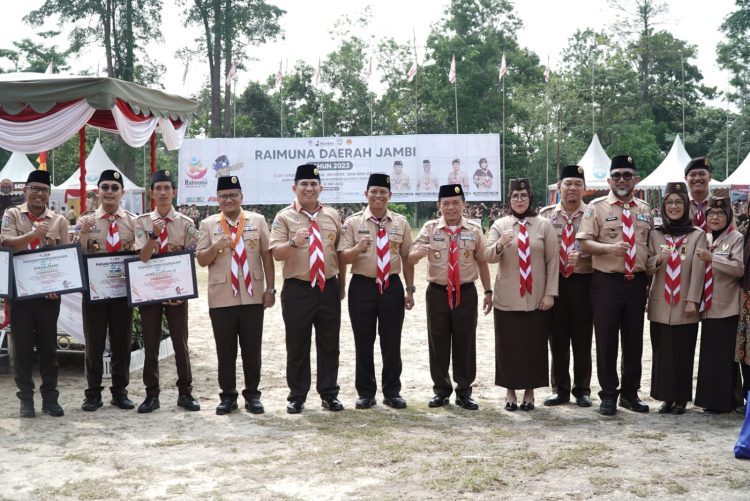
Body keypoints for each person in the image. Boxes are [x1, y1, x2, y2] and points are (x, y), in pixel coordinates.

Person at [577, 154, 652, 416]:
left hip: (636, 282)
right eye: (617, 175)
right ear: (609, 179)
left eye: (627, 175)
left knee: (634, 341)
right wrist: (609, 248)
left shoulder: (644, 209)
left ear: (636, 180)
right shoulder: (596, 208)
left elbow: (650, 246)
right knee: (607, 340)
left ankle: (630, 393)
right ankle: (609, 394)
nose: (622, 180)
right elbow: (584, 243)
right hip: (606, 281)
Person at [408, 184, 492, 410]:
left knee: (466, 341)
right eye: (446, 203)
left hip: (465, 292)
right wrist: (417, 253)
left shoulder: (474, 229)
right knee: (438, 341)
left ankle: (464, 391)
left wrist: (488, 291)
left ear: (464, 205)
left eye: (456, 203)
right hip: (437, 293)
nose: (451, 207)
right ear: (439, 206)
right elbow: (411, 256)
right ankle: (441, 390)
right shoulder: (430, 228)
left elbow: (482, 261)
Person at [196, 176, 275, 415]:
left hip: (252, 295)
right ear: (217, 199)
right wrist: (215, 247)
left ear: (242, 197)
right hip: (221, 296)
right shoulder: (208, 224)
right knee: (225, 350)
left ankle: (252, 395)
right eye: (224, 196)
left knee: (252, 349)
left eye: (233, 195)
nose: (229, 200)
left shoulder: (257, 220)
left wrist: (270, 289)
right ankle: (228, 396)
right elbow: (201, 260)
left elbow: (267, 257)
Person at [269, 163, 345, 414]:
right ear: (295, 187)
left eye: (314, 184)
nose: (309, 188)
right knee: (297, 343)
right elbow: (276, 254)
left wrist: (341, 286)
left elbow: (339, 253)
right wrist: (293, 242)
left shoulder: (333, 215)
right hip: (297, 289)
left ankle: (329, 393)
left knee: (329, 343)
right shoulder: (283, 217)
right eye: (304, 184)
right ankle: (297, 395)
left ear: (320, 188)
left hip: (328, 287)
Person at [338, 173, 415, 409]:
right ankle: (366, 392)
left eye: (383, 192)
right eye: (374, 191)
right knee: (364, 341)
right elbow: (342, 257)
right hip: (362, 285)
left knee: (392, 341)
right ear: (366, 194)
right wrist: (358, 248)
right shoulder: (353, 223)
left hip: (391, 285)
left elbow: (406, 258)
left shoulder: (401, 222)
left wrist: (410, 290)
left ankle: (392, 391)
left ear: (390, 195)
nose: (378, 196)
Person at [1, 169, 70, 417]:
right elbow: (7, 243)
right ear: (26, 191)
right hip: (19, 294)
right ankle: (26, 399)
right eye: (34, 189)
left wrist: (59, 288)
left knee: (48, 347)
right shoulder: (11, 214)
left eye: (43, 190)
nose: (39, 194)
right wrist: (33, 234)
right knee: (22, 348)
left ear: (49, 194)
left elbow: (66, 259)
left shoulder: (59, 221)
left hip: (48, 295)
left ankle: (50, 398)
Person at [485, 178, 557, 411]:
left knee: (533, 346)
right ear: (509, 199)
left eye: (523, 195)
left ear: (530, 198)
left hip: (536, 298)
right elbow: (488, 256)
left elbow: (552, 261)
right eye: (515, 196)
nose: (519, 200)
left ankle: (529, 392)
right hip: (508, 297)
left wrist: (550, 294)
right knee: (509, 347)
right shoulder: (499, 225)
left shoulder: (543, 225)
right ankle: (510, 391)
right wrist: (500, 244)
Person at [134, 170, 200, 413]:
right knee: (150, 343)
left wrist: (181, 292)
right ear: (151, 193)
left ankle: (185, 392)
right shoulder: (141, 222)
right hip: (150, 292)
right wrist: (154, 236)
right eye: (158, 188)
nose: (162, 192)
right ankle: (152, 395)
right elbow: (142, 257)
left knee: (180, 342)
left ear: (174, 192)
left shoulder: (186, 223)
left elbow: (188, 259)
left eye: (167, 188)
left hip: (177, 293)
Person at [76, 170, 138, 411]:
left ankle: (120, 391)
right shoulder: (85, 221)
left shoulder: (133, 222)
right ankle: (92, 393)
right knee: (94, 343)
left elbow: (142, 253)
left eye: (114, 187)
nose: (110, 191)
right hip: (95, 293)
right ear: (98, 191)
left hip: (123, 292)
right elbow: (72, 255)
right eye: (105, 187)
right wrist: (81, 234)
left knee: (122, 343)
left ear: (122, 192)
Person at [646, 182, 706, 414]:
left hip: (684, 302)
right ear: (663, 206)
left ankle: (681, 397)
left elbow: (699, 271)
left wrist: (693, 300)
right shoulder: (656, 234)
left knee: (683, 350)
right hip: (660, 301)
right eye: (669, 202)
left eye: (678, 202)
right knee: (661, 351)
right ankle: (665, 397)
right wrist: (658, 260)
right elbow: (647, 266)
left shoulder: (697, 235)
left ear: (686, 205)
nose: (673, 206)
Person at [539, 165, 594, 408]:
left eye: (577, 184)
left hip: (584, 281)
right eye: (568, 184)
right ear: (559, 187)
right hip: (556, 282)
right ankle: (560, 389)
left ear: (584, 188)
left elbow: (602, 248)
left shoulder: (594, 214)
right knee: (557, 338)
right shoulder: (546, 215)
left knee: (582, 338)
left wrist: (586, 257)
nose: (572, 188)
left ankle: (582, 389)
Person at [694, 197, 744, 413]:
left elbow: (739, 268)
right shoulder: (704, 237)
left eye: (720, 214)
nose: (714, 218)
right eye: (711, 214)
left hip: (727, 306)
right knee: (709, 355)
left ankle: (726, 401)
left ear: (728, 217)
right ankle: (709, 400)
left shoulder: (736, 238)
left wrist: (712, 258)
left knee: (724, 357)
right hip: (707, 306)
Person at [685, 156, 712, 231]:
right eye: (692, 175)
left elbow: (732, 235)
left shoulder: (723, 205)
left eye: (702, 174)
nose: (697, 178)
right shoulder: (679, 205)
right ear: (686, 178)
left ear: (710, 177)